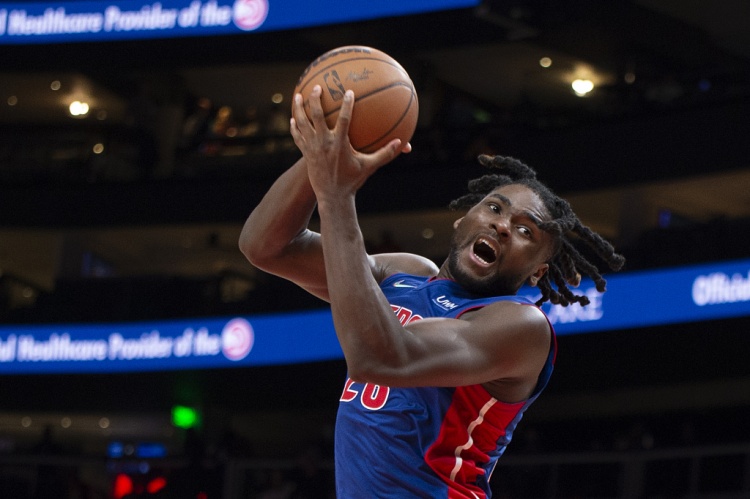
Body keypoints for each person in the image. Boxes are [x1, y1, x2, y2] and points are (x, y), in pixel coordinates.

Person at [239, 85, 625, 498]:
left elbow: (378, 358)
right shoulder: (402, 274)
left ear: (538, 272)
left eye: (525, 231)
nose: (502, 226)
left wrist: (335, 195)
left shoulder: (520, 325)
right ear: (462, 220)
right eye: (495, 208)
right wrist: (322, 155)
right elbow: (266, 247)